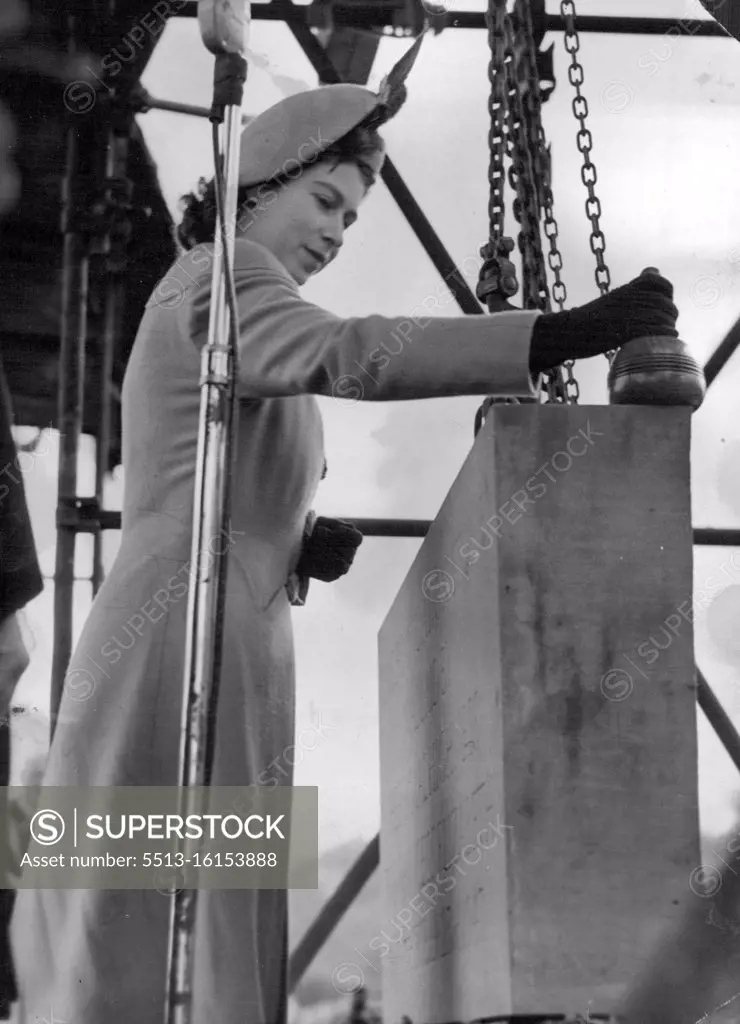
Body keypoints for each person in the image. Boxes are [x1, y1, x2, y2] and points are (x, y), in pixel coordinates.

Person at [10, 41, 681, 1024]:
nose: (337, 232)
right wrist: (556, 333)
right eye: (325, 203)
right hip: (184, 631)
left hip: (216, 620)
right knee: (170, 921)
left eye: (351, 218)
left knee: (175, 908)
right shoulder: (219, 272)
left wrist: (295, 533)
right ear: (256, 189)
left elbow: (210, 456)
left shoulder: (222, 291)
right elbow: (346, 353)